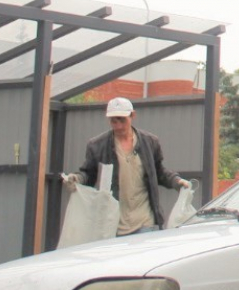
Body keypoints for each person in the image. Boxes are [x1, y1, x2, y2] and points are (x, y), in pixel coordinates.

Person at [62, 96, 189, 235]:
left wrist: (176, 181)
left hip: (145, 221)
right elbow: (88, 174)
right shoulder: (97, 145)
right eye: (113, 121)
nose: (118, 125)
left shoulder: (150, 142)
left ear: (132, 115)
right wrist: (77, 179)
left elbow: (159, 172)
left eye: (122, 119)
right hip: (113, 223)